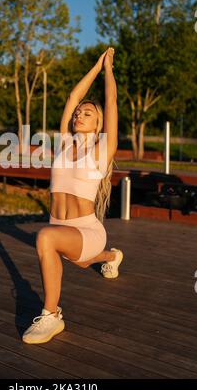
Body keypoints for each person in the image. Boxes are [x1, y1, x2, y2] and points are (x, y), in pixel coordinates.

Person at [22, 47, 123, 344]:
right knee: (80, 261)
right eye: (79, 113)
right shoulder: (65, 143)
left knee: (45, 238)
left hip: (86, 228)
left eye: (87, 113)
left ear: (98, 124)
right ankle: (113, 256)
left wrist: (107, 68)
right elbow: (72, 98)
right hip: (65, 227)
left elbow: (112, 100)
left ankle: (52, 316)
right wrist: (93, 65)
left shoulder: (102, 149)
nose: (79, 113)